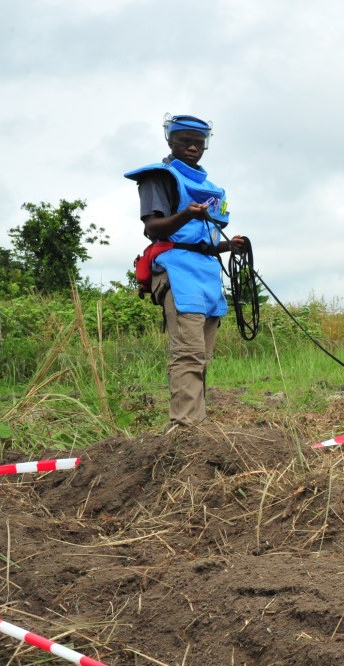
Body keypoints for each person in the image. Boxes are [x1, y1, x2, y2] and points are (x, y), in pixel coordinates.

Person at [125, 114, 246, 431]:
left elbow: (202, 238)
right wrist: (183, 215)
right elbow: (154, 229)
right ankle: (183, 429)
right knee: (188, 354)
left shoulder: (211, 188)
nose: (192, 147)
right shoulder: (159, 178)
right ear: (170, 141)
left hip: (206, 274)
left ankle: (198, 426)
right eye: (184, 142)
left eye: (198, 142)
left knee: (202, 357)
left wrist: (228, 247)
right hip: (177, 272)